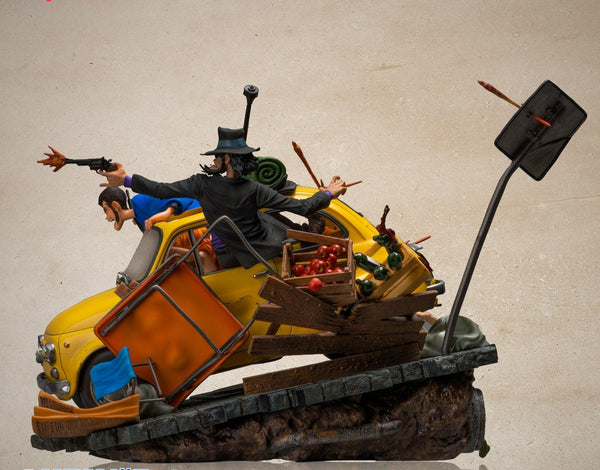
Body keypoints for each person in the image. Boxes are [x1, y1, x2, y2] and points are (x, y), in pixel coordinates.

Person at [99, 127, 347, 269]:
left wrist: (126, 180)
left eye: (218, 156)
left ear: (227, 159)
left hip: (230, 255)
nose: (214, 160)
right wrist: (328, 193)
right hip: (261, 250)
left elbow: (161, 190)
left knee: (298, 233)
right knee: (298, 233)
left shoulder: (201, 185)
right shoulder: (255, 189)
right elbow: (302, 207)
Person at [98, 187, 218, 272]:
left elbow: (175, 195)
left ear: (115, 206)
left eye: (106, 210)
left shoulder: (139, 201)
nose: (107, 217)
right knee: (161, 252)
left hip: (192, 225)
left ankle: (202, 257)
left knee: (162, 250)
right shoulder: (139, 216)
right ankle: (201, 261)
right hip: (186, 231)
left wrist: (168, 212)